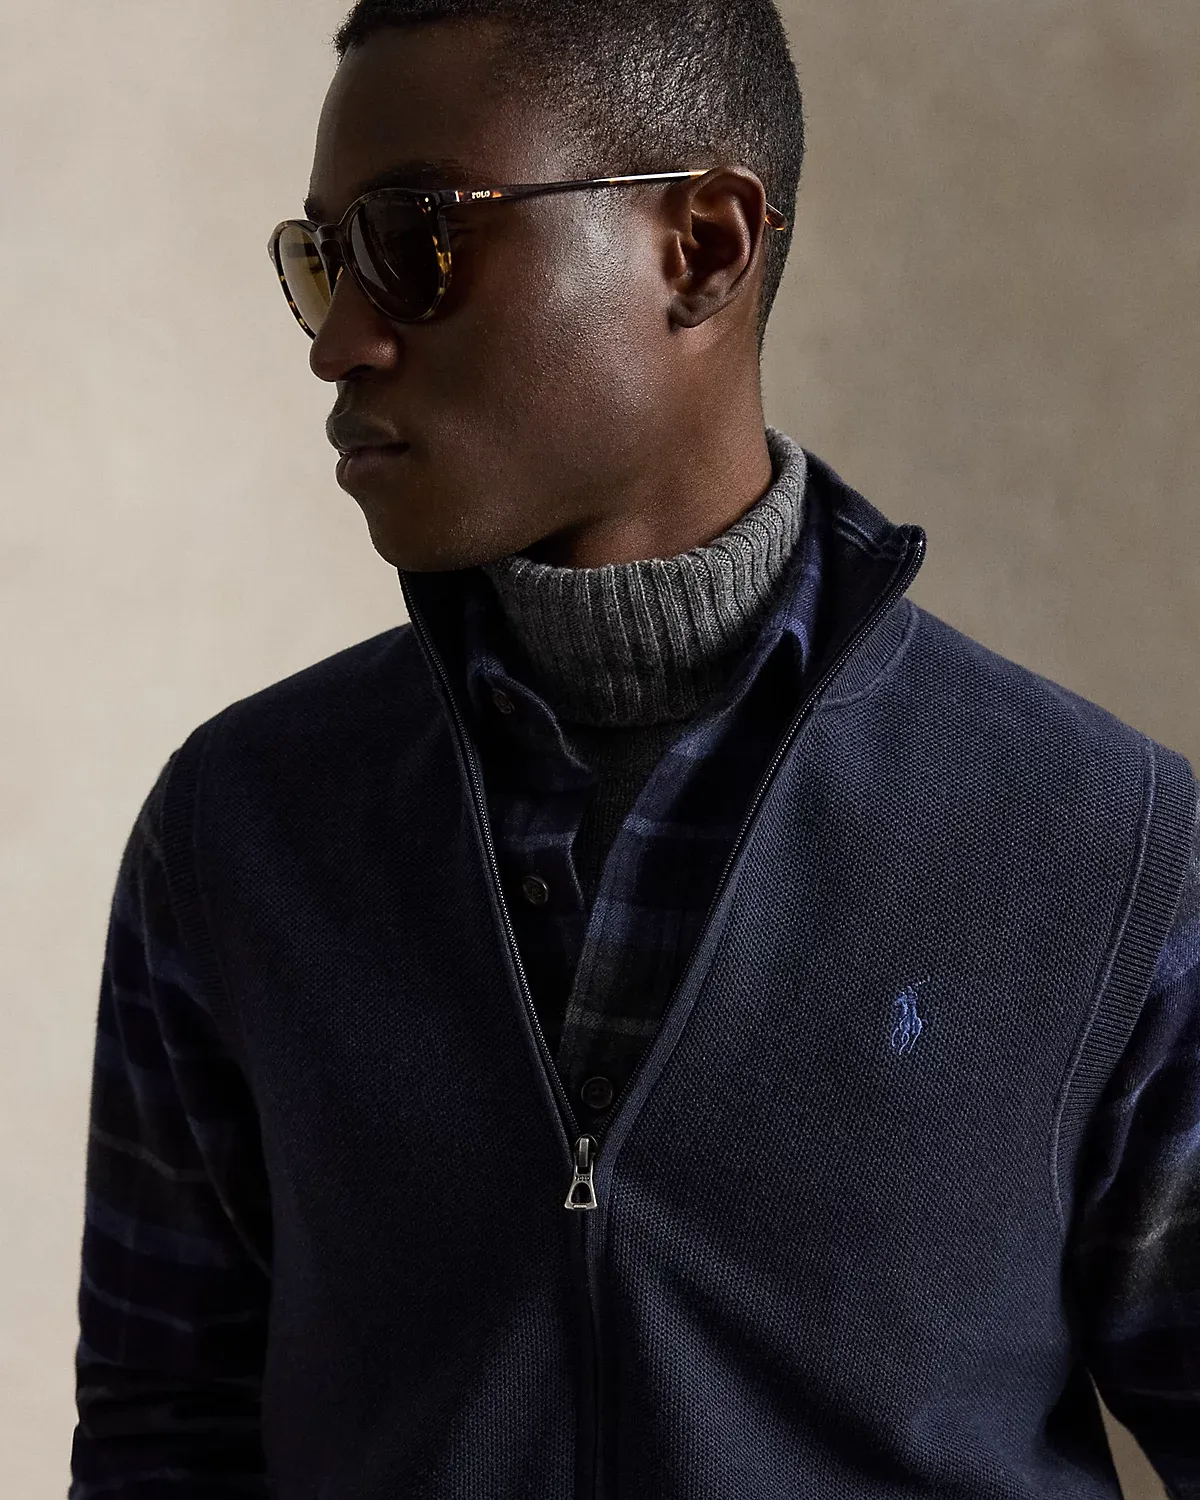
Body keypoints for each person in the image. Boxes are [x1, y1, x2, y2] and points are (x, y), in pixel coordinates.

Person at [69, 2, 1200, 1496]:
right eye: (325, 257)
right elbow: (159, 1445)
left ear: (703, 248)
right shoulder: (241, 829)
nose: (341, 338)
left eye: (418, 239)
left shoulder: (1101, 842)